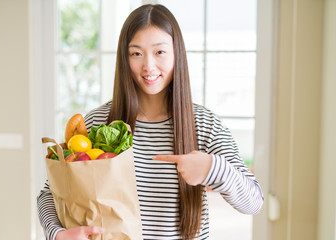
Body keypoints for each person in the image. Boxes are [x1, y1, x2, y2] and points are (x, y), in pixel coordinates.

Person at [37, 4, 264, 240]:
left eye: (159, 52)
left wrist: (213, 168)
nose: (148, 66)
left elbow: (253, 202)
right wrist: (58, 234)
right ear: (124, 59)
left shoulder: (205, 125)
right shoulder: (99, 125)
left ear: (177, 53)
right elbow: (49, 194)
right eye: (136, 53)